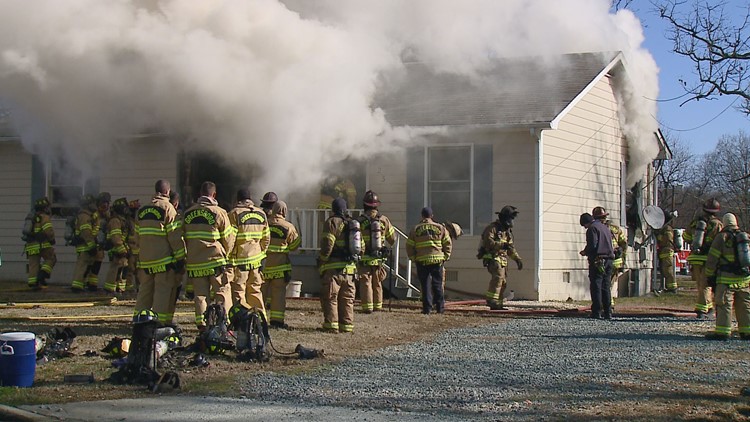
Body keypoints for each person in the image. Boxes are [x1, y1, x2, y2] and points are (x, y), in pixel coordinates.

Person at [183, 181, 235, 329]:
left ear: (200, 194)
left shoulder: (188, 213)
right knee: (222, 291)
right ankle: (223, 322)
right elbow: (228, 238)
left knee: (200, 294)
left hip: (196, 261)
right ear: (214, 195)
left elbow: (182, 236)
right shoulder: (219, 212)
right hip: (215, 260)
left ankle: (202, 323)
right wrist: (227, 254)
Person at [135, 180, 186, 324]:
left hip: (146, 260)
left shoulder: (142, 210)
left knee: (144, 292)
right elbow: (175, 237)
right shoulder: (168, 208)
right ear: (167, 192)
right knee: (161, 292)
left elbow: (137, 236)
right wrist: (180, 258)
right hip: (164, 261)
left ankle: (139, 321)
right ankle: (158, 323)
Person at [704, 213, 750, 340]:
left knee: (724, 305)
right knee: (745, 305)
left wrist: (709, 275)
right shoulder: (745, 237)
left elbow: (712, 259)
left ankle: (723, 332)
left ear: (724, 223)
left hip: (726, 280)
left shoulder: (721, 237)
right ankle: (747, 332)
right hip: (744, 279)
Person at [318, 198, 361, 333]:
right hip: (350, 270)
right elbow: (362, 247)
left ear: (333, 209)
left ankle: (331, 326)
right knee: (347, 299)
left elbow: (327, 245)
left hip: (333, 269)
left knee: (331, 297)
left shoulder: (332, 222)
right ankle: (347, 326)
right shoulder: (353, 224)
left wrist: (322, 260)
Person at [227, 188, 270, 314]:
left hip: (240, 260)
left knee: (239, 290)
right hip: (256, 260)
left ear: (237, 199)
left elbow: (230, 239)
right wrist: (261, 253)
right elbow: (266, 237)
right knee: (255, 289)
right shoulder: (261, 213)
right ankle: (260, 320)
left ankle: (242, 319)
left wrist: (228, 256)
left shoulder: (234, 214)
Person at [262, 200, 301, 329]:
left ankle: (258, 319)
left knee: (260, 294)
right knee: (278, 294)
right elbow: (295, 246)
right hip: (280, 267)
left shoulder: (264, 223)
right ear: (284, 211)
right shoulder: (288, 227)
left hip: (264, 266)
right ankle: (276, 321)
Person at [683, 198, 724, 318]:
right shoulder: (717, 224)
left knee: (701, 284)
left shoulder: (695, 222)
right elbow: (720, 240)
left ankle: (708, 307)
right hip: (709, 258)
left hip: (695, 257)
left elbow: (686, 236)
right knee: (706, 284)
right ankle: (702, 310)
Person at [407, 207, 452, 314]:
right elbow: (447, 243)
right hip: (437, 260)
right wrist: (446, 256)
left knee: (425, 285)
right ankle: (440, 308)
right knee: (437, 284)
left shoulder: (415, 229)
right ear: (432, 216)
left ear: (422, 216)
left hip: (422, 260)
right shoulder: (441, 228)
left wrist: (413, 258)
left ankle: (427, 309)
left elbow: (409, 245)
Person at [356, 190, 395, 313]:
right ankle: (378, 306)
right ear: (377, 205)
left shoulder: (359, 221)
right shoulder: (383, 220)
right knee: (377, 282)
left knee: (365, 282)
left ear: (364, 205)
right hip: (378, 258)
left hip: (364, 257)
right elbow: (392, 239)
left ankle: (367, 307)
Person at [479, 206, 523, 310]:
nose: (511, 221)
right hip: (492, 258)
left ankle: (498, 303)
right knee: (498, 278)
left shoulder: (507, 233)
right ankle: (491, 301)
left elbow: (510, 249)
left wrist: (517, 259)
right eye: (510, 219)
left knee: (503, 283)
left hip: (502, 260)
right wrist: (501, 245)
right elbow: (488, 242)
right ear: (504, 218)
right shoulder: (493, 228)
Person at [579, 212, 615, 319]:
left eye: (584, 226)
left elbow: (593, 244)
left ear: (586, 223)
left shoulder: (592, 229)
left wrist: (585, 252)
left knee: (596, 286)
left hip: (598, 260)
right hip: (609, 259)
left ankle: (596, 311)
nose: (585, 228)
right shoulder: (605, 228)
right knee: (606, 286)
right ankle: (608, 312)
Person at [592, 207, 628, 307]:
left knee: (603, 284)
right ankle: (608, 305)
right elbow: (624, 243)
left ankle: (607, 305)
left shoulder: (599, 228)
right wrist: (623, 259)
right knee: (609, 283)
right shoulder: (615, 228)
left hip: (604, 258)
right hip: (616, 259)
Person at [25, 197, 56, 290]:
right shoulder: (45, 217)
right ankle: (42, 274)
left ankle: (33, 283)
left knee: (33, 264)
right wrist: (52, 239)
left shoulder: (31, 217)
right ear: (44, 207)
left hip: (31, 245)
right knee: (51, 259)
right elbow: (48, 231)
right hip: (43, 244)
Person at [103, 197, 131, 294]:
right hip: (115, 248)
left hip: (121, 248)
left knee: (123, 269)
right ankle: (109, 289)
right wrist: (122, 249)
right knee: (115, 269)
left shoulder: (122, 220)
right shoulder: (115, 220)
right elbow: (116, 237)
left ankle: (120, 289)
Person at [71, 194, 98, 292]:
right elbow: (86, 232)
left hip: (86, 245)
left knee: (86, 266)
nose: (94, 205)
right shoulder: (84, 216)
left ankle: (80, 285)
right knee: (82, 265)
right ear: (88, 204)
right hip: (84, 245)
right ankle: (76, 287)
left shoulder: (88, 215)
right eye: (92, 203)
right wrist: (91, 245)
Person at [88, 192, 112, 291]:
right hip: (93, 242)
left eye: (107, 203)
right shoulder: (95, 215)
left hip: (100, 244)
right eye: (103, 203)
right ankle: (89, 284)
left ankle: (92, 284)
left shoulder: (105, 215)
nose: (105, 205)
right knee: (90, 264)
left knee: (97, 264)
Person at [656, 210, 678, 292]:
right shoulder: (663, 228)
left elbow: (668, 239)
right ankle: (668, 287)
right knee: (665, 270)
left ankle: (672, 288)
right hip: (664, 252)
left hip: (667, 251)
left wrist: (658, 236)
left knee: (668, 271)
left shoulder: (667, 228)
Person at [124, 199, 141, 293]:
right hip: (130, 249)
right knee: (130, 270)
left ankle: (140, 287)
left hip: (139, 249)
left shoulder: (138, 222)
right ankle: (129, 288)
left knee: (139, 271)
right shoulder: (127, 222)